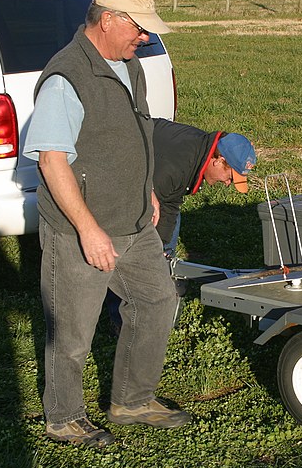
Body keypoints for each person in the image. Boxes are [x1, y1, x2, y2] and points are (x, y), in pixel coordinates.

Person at [23, 0, 189, 448]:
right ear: (109, 19)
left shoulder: (127, 65)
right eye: (138, 27)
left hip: (134, 219)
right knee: (73, 331)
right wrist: (89, 230)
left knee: (158, 302)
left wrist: (148, 192)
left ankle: (131, 401)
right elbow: (52, 161)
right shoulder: (66, 77)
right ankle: (63, 417)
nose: (145, 36)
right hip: (83, 229)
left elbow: (131, 137)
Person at [105, 124, 256, 332]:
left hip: (158, 184)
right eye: (229, 177)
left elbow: (171, 200)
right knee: (128, 255)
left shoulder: (197, 157)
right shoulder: (176, 167)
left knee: (163, 250)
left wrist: (163, 246)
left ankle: (158, 302)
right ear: (219, 161)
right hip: (122, 176)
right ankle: (121, 321)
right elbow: (137, 209)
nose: (228, 184)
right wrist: (149, 252)